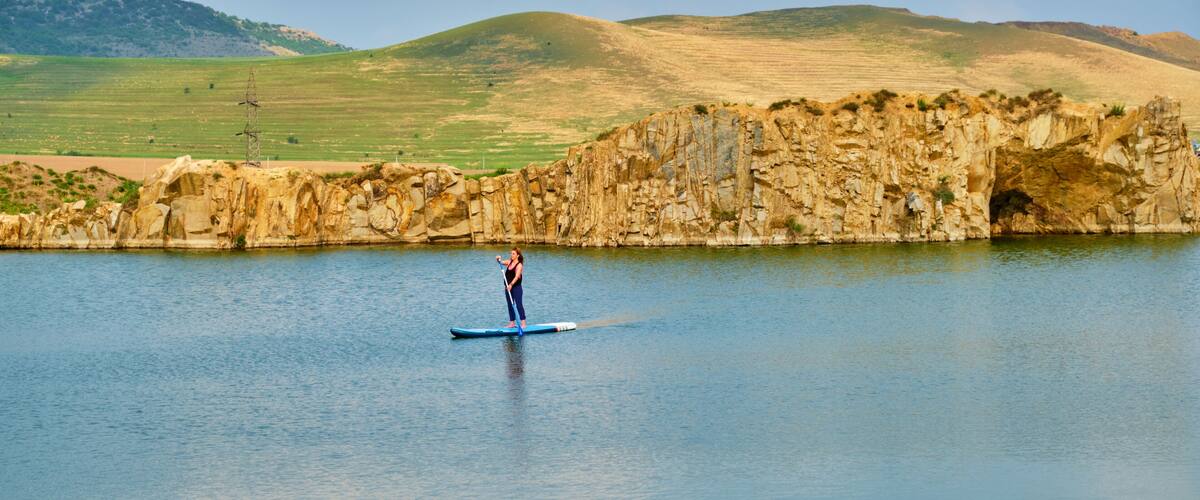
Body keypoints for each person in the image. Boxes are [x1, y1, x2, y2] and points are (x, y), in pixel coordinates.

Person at [496, 247, 526, 329]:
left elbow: (516, 277)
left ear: (518, 255)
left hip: (516, 288)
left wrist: (511, 285)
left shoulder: (519, 265)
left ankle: (523, 323)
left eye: (513, 254)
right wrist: (498, 259)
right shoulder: (509, 262)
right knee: (510, 305)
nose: (511, 255)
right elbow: (500, 262)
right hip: (508, 288)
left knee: (519, 304)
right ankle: (512, 323)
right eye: (511, 253)